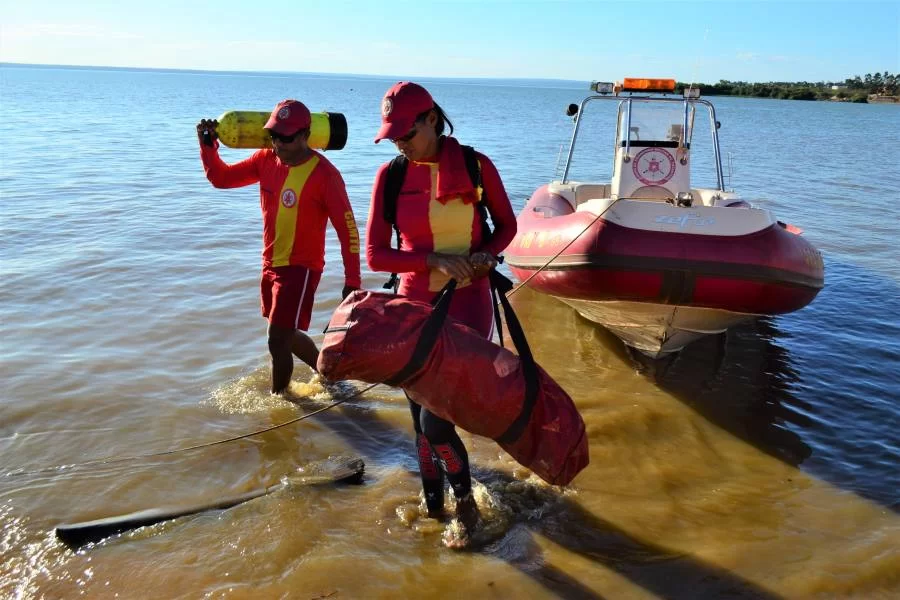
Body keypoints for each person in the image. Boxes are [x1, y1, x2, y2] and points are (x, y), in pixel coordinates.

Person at [365, 82, 518, 547]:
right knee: (419, 420)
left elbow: (508, 226)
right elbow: (375, 255)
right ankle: (434, 508)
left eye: (406, 133)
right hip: (415, 305)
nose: (399, 143)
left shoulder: (476, 166)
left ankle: (468, 511)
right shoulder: (390, 176)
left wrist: (486, 255)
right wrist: (429, 261)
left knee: (436, 418)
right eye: (392, 136)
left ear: (432, 120)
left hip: (469, 301)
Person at [197, 99, 361, 395]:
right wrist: (208, 146)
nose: (278, 144)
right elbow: (221, 179)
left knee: (276, 339)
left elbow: (347, 229)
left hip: (301, 268)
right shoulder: (265, 159)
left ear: (304, 136)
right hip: (271, 263)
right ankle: (331, 377)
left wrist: (352, 282)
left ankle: (281, 403)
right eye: (273, 135)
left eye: (285, 138)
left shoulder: (325, 176)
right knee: (287, 334)